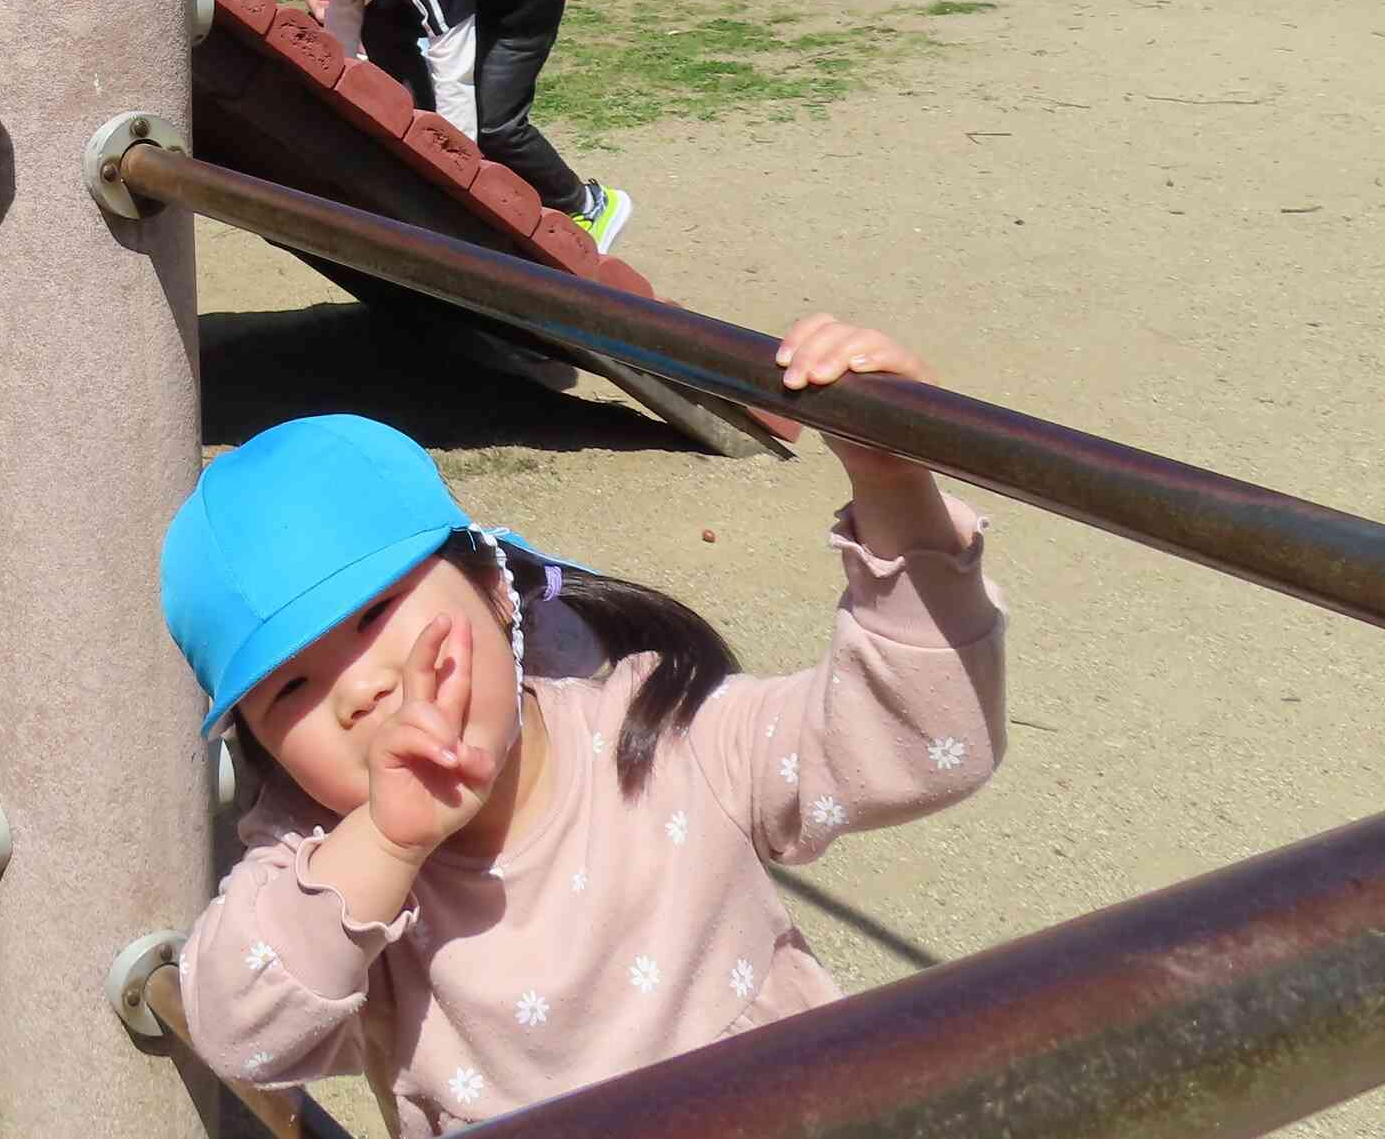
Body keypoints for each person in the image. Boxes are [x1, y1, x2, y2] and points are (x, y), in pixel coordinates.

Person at [163, 313, 1004, 1129]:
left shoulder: (667, 737)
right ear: (260, 742)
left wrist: (896, 489)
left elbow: (928, 746)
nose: (362, 691)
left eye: (377, 613)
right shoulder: (330, 873)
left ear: (496, 587)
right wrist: (387, 842)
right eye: (291, 689)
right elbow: (240, 1037)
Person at [267, 0, 630, 252]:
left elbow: (452, 69)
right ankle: (418, 129)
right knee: (379, 27)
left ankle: (589, 203)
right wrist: (337, 102)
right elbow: (343, 36)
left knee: (496, 124)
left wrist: (456, 169)